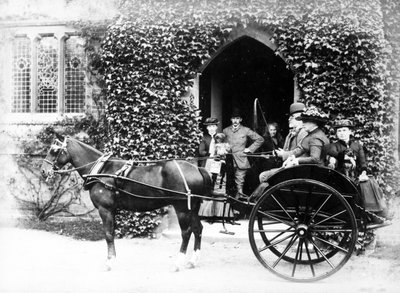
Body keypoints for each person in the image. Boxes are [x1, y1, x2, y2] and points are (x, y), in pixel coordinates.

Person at [325, 118, 391, 223]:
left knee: (369, 181)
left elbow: (363, 163)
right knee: (360, 185)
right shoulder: (333, 146)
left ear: (350, 132)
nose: (342, 133)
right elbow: (333, 154)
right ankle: (368, 217)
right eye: (339, 131)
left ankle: (377, 213)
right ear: (336, 133)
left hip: (355, 176)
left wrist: (363, 173)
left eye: (344, 130)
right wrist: (345, 158)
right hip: (340, 177)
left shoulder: (357, 145)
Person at [258, 106, 330, 182]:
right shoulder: (311, 134)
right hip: (305, 169)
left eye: (305, 121)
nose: (303, 124)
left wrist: (296, 161)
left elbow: (315, 159)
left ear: (314, 122)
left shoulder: (316, 137)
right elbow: (301, 149)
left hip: (309, 172)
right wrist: (291, 157)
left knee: (263, 176)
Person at [223, 108, 264, 197]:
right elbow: (222, 143)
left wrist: (249, 149)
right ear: (231, 119)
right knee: (227, 184)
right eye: (233, 118)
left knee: (239, 185)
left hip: (241, 161)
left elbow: (260, 139)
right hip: (228, 161)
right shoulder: (225, 131)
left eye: (237, 118)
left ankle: (238, 205)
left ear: (240, 120)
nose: (235, 121)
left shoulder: (246, 130)